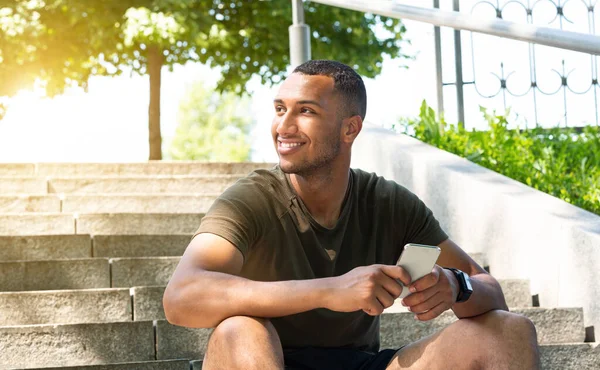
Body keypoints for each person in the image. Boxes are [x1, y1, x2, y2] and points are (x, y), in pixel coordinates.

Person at [163, 60, 541, 370]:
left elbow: (490, 290)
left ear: (350, 128)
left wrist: (456, 285)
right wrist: (331, 290)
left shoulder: (388, 202)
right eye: (280, 109)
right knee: (239, 331)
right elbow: (181, 297)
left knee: (511, 331)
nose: (283, 126)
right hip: (264, 359)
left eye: (305, 111)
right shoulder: (250, 199)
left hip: (362, 364)